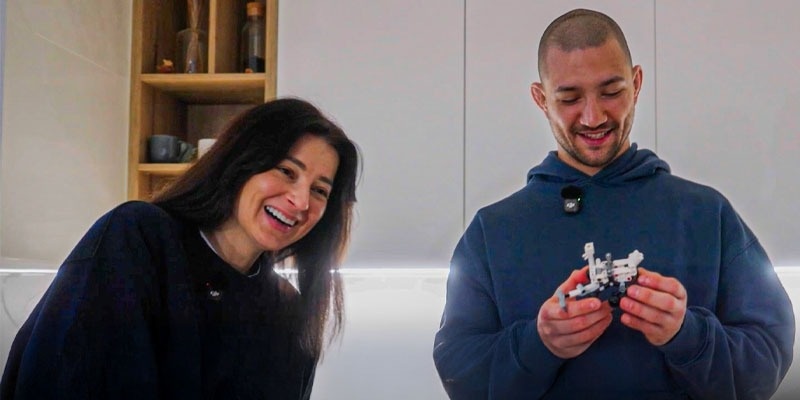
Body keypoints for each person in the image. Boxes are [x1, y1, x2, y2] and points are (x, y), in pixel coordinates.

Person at [433, 8, 794, 400]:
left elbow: (768, 358)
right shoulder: (492, 232)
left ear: (636, 84)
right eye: (569, 98)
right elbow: (459, 374)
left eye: (611, 92)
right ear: (541, 99)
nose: (593, 117)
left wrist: (688, 336)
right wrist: (538, 344)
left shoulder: (707, 215)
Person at [1, 97, 360, 399]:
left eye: (320, 191)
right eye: (286, 171)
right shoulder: (138, 238)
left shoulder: (288, 311)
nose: (300, 201)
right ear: (241, 163)